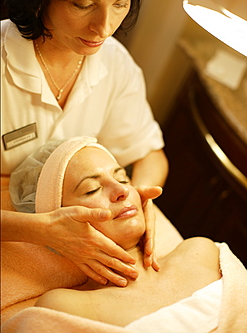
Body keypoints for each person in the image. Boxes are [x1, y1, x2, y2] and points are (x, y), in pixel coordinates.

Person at [1, 0, 170, 287]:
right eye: (83, 4)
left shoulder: (115, 63)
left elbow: (150, 154)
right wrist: (41, 230)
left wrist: (141, 197)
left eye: (120, 3)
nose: (103, 28)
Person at [9, 136, 222, 329]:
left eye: (123, 179)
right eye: (91, 189)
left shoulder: (201, 251)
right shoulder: (65, 307)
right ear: (60, 222)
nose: (123, 192)